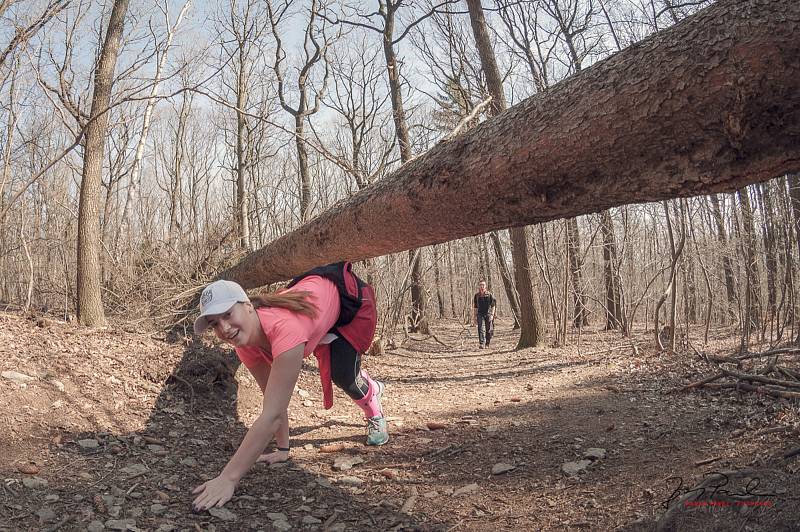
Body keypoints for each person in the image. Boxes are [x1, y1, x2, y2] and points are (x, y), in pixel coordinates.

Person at [190, 271, 388, 511]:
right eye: (214, 324)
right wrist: (283, 449)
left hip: (348, 300)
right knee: (329, 372)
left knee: (345, 376)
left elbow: (272, 415)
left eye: (228, 314)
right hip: (315, 305)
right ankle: (365, 385)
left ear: (248, 306)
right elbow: (272, 400)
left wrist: (228, 478)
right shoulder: (245, 342)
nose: (224, 328)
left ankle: (373, 401)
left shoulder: (285, 328)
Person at [473, 280, 496, 349]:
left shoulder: (489, 294)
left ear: (485, 286)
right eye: (480, 285)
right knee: (480, 328)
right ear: (479, 286)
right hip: (480, 314)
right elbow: (475, 307)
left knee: (488, 329)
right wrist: (474, 317)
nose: (482, 286)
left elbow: (493, 306)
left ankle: (487, 343)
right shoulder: (476, 296)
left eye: (483, 285)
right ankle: (482, 343)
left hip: (488, 314)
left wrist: (492, 315)